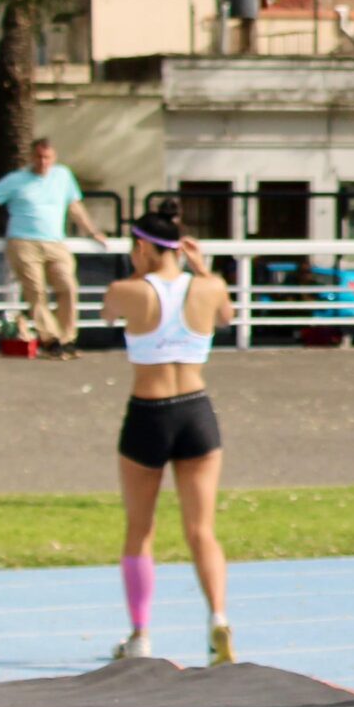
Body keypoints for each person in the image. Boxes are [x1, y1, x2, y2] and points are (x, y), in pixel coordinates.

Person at [102, 199, 238, 667]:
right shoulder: (210, 286)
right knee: (202, 529)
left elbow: (106, 314)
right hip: (197, 412)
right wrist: (200, 271)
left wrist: (142, 275)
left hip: (149, 412)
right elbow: (227, 316)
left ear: (141, 246)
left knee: (140, 528)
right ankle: (218, 618)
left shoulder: (127, 289)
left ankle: (140, 633)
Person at [0, 139, 109, 358]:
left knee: (68, 287)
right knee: (36, 292)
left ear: (54, 158)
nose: (43, 162)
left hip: (55, 242)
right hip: (24, 242)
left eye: (47, 157)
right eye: (39, 157)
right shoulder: (17, 180)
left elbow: (75, 207)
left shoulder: (63, 176)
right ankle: (51, 339)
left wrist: (93, 232)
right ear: (31, 157)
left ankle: (67, 338)